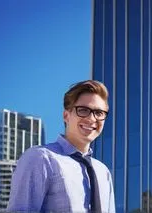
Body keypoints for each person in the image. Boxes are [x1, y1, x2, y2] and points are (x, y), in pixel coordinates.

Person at [7, 80, 115, 213]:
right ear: (66, 115)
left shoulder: (103, 172)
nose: (92, 119)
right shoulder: (41, 158)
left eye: (99, 113)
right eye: (83, 110)